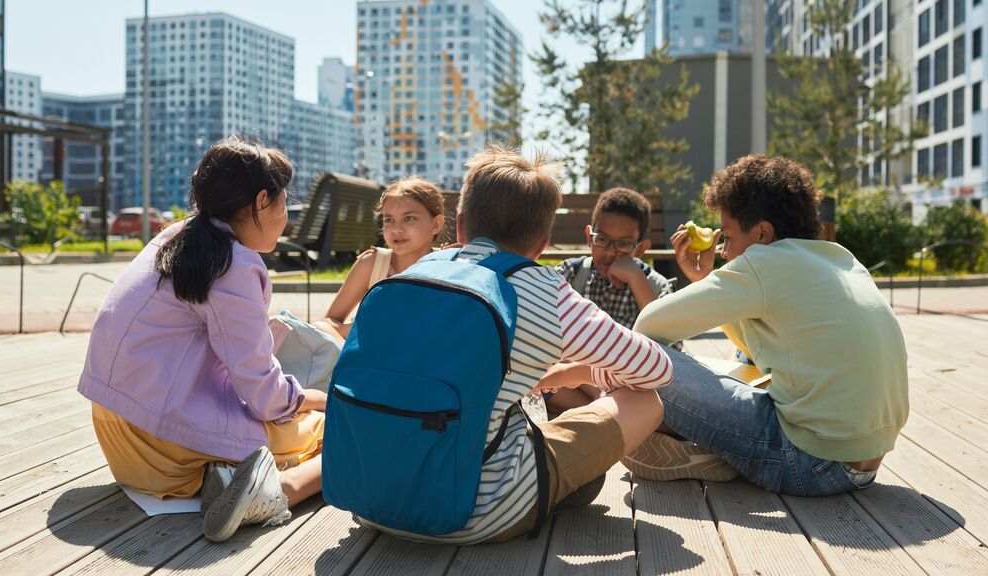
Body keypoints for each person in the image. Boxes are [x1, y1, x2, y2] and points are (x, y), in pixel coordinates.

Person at [350, 145, 673, 544]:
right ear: (542, 243)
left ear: (461, 225)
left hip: (370, 497)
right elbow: (658, 369)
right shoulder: (546, 290)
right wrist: (586, 370)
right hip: (472, 513)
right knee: (644, 401)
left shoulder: (413, 273)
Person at [78, 137, 326, 543]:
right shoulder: (235, 263)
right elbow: (263, 393)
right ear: (262, 201)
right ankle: (274, 488)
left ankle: (225, 473)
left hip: (116, 432)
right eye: (284, 204)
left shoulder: (176, 238)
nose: (286, 218)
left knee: (290, 413)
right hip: (163, 446)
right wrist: (314, 398)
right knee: (332, 428)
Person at [627, 154, 908, 495]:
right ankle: (715, 451)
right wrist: (707, 279)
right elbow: (769, 350)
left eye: (727, 237)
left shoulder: (764, 261)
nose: (725, 252)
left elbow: (647, 326)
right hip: (865, 463)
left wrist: (706, 284)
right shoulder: (839, 257)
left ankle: (714, 450)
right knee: (746, 355)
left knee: (636, 356)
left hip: (807, 462)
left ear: (762, 232)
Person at [549, 187, 673, 414]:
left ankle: (606, 415)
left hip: (631, 387)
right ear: (589, 237)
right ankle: (609, 415)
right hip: (578, 384)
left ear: (641, 248)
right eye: (602, 240)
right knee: (551, 380)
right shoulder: (571, 273)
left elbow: (669, 355)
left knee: (658, 399)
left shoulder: (657, 286)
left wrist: (636, 278)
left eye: (623, 245)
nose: (610, 252)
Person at [313, 177, 445, 342]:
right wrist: (366, 326)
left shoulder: (450, 267)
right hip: (372, 363)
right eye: (388, 220)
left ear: (436, 224)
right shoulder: (372, 263)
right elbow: (327, 323)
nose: (396, 229)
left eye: (409, 218)